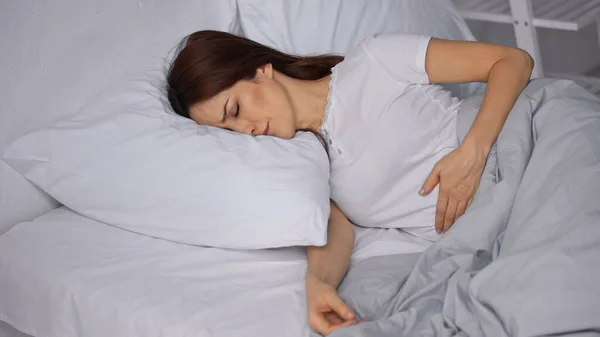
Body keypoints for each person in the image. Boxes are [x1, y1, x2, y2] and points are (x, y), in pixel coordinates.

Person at [165, 30, 533, 336]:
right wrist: (318, 284)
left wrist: (471, 152)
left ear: (261, 70)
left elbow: (513, 61)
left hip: (517, 165)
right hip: (481, 234)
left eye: (236, 111)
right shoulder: (298, 159)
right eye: (228, 131)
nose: (245, 130)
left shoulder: (374, 62)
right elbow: (335, 226)